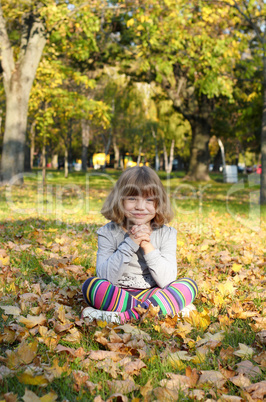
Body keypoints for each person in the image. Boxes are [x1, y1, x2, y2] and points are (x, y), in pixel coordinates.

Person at [82, 166, 198, 324]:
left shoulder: (167, 233)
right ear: (119, 200)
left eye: (149, 200)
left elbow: (167, 280)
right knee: (92, 286)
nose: (140, 207)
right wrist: (131, 242)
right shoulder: (108, 232)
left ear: (159, 203)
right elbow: (105, 277)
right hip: (118, 294)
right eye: (132, 198)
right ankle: (164, 310)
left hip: (152, 293)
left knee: (188, 285)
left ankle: (123, 317)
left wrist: (146, 245)